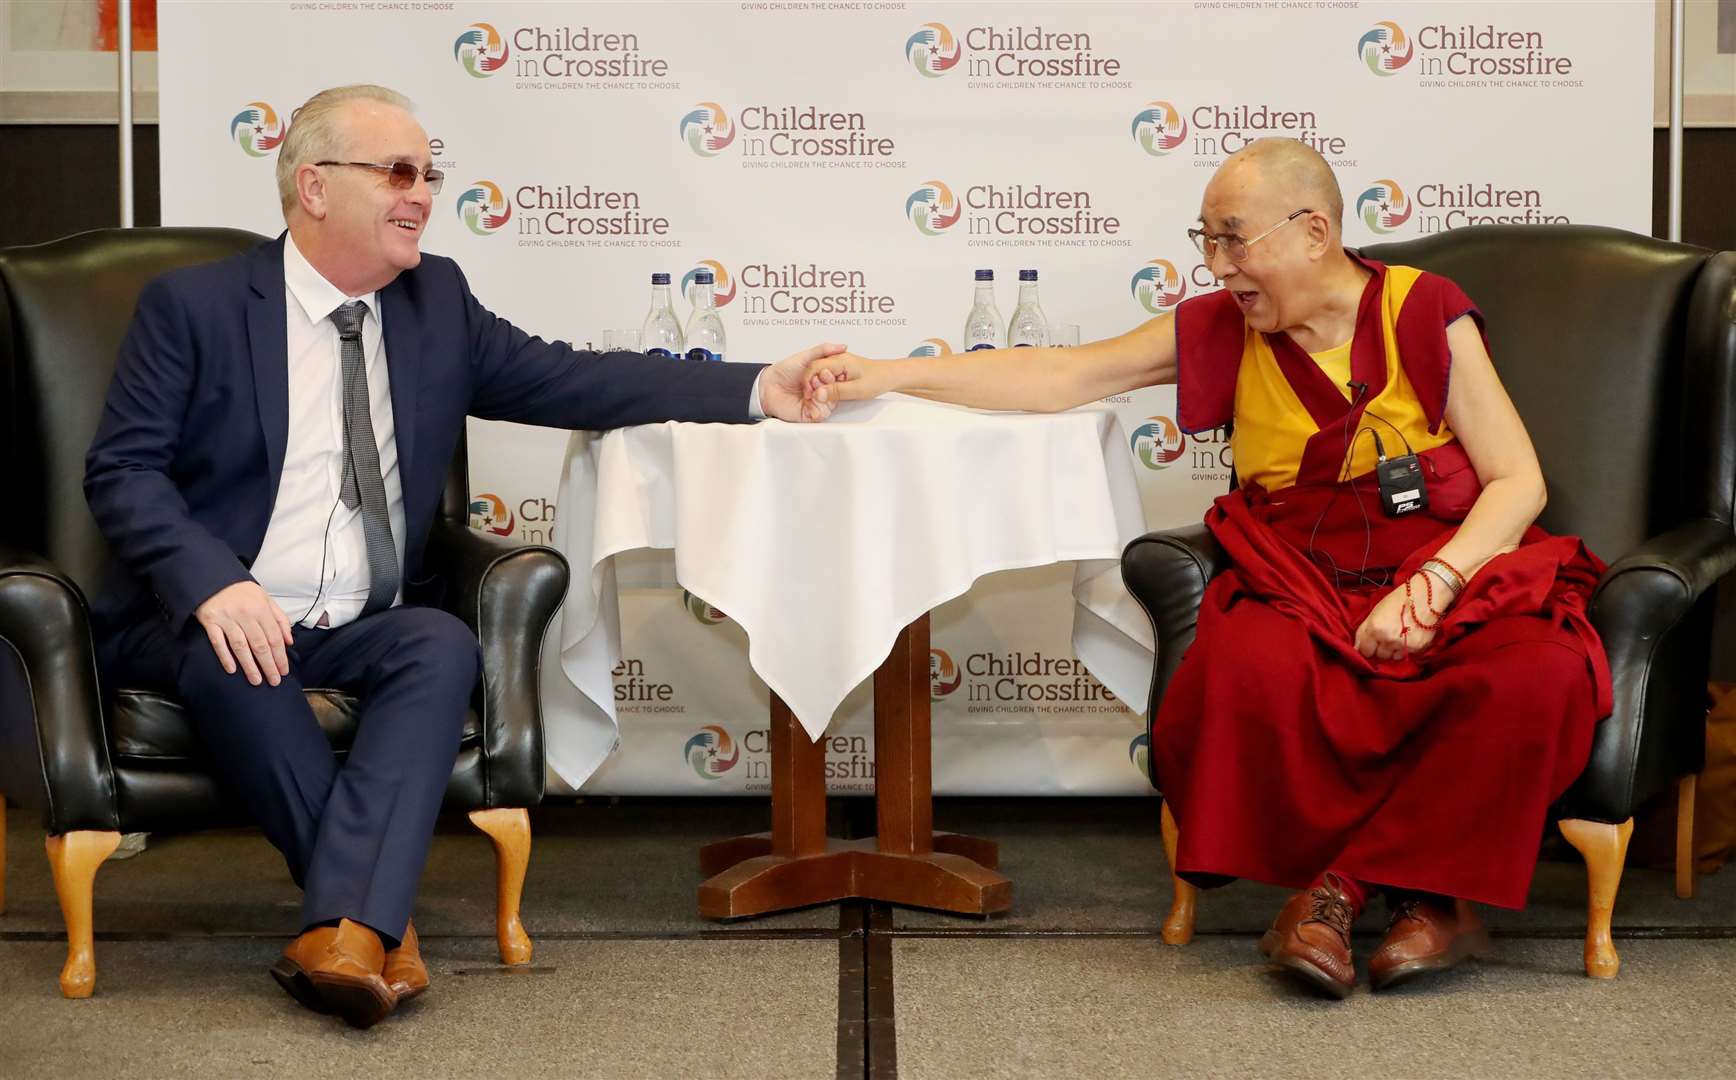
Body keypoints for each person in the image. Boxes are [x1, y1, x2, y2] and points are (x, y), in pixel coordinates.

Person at [84, 84, 842, 1028]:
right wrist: (215, 583)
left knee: (440, 644)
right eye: (399, 172)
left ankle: (346, 931)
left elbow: (575, 377)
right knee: (242, 658)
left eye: (428, 174)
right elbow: (123, 473)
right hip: (208, 618)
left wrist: (756, 385)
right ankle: (373, 926)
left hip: (356, 620)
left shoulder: (433, 298)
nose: (422, 194)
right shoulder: (194, 306)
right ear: (314, 187)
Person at [801, 137, 1608, 999]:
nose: (1219, 267)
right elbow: (1063, 375)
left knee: (1539, 674)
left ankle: (1344, 892)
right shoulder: (1225, 326)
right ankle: (1418, 904)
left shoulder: (1422, 309)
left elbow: (1516, 479)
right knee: (1240, 668)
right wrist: (883, 374)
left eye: (1234, 239)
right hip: (1305, 579)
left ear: (1315, 231)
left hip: (1448, 567)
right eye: (1207, 241)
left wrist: (1434, 584)